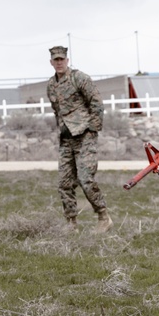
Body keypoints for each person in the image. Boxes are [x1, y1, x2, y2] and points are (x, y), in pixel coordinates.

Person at [46, 45, 112, 231]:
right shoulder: (51, 85)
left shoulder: (79, 78)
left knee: (85, 178)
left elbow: (96, 102)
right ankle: (71, 223)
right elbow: (57, 112)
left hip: (85, 136)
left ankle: (103, 217)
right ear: (51, 62)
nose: (59, 63)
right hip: (66, 138)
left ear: (67, 60)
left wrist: (93, 128)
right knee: (64, 183)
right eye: (55, 60)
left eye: (62, 59)